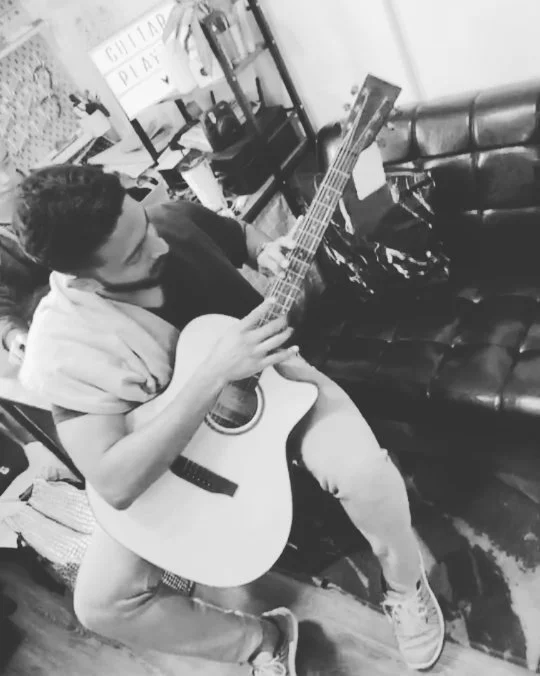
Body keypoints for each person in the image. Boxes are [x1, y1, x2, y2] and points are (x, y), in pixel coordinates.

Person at [13, 164, 445, 675]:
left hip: (277, 384)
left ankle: (405, 587)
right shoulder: (63, 349)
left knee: (366, 474)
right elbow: (114, 481)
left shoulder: (171, 221)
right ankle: (260, 641)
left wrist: (265, 251)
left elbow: (238, 234)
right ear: (84, 281)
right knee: (101, 604)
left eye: (144, 226)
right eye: (134, 254)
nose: (159, 246)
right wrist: (214, 372)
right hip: (177, 464)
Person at [0, 143, 49, 365]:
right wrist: (13, 335)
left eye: (6, 162)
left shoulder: (50, 185)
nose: (6, 179)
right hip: (53, 323)